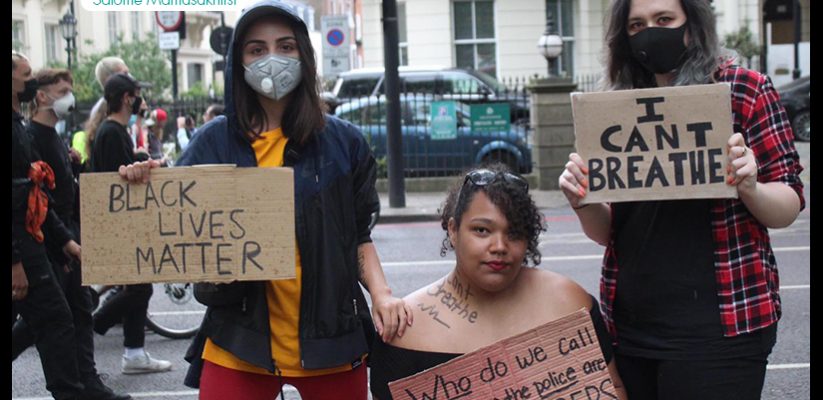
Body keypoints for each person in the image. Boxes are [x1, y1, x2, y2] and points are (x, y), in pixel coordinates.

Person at [118, 1, 412, 398]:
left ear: (304, 56)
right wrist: (142, 182)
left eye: (286, 46)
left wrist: (382, 294)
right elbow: (178, 227)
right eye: (257, 49)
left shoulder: (344, 144)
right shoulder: (213, 141)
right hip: (239, 342)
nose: (272, 58)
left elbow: (358, 236)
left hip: (332, 341)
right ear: (238, 62)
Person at [558, 0, 805, 398]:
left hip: (724, 328)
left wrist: (750, 186)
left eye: (664, 19)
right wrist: (582, 201)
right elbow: (611, 234)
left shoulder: (744, 89)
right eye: (636, 25)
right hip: (632, 330)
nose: (650, 32)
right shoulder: (612, 106)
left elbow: (788, 203)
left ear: (693, 24)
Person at [369, 165, 628, 400]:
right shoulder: (406, 330)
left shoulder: (570, 304)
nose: (499, 247)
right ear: (452, 229)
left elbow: (611, 387)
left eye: (514, 233)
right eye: (482, 230)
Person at [12, 67, 133, 400]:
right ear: (41, 95)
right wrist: (58, 243)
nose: (69, 95)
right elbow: (33, 197)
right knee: (50, 318)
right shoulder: (30, 134)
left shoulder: (43, 134)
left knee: (72, 312)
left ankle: (86, 384)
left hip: (57, 235)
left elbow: (53, 190)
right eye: (62, 89)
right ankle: (75, 389)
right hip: (41, 241)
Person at [12, 51, 86, 400]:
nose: (30, 82)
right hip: (23, 248)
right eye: (25, 75)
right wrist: (16, 262)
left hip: (33, 241)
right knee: (56, 320)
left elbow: (34, 196)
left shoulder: (18, 127)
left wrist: (64, 241)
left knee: (53, 320)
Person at [89, 72, 173, 375]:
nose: (143, 102)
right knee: (138, 290)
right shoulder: (112, 132)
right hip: (121, 225)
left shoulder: (115, 130)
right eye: (139, 95)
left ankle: (135, 353)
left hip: (124, 224)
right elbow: (118, 182)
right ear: (128, 98)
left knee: (140, 288)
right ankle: (90, 326)